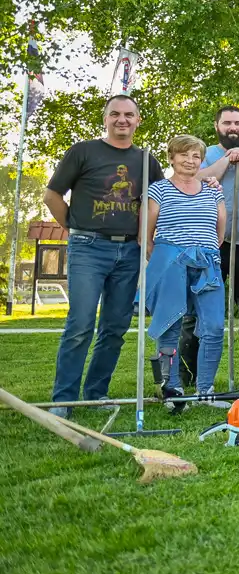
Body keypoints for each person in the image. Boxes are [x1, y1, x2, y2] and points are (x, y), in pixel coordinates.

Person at [43, 95, 165, 418]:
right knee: (81, 323)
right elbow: (51, 194)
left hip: (130, 251)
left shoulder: (147, 160)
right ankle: (64, 401)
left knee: (114, 326)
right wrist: (72, 225)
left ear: (138, 120)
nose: (122, 120)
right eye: (115, 114)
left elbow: (162, 197)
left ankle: (95, 394)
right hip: (88, 247)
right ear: (106, 118)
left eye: (128, 115)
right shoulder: (83, 152)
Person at [178, 105, 239, 386]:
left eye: (238, 123)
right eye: (227, 123)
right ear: (217, 126)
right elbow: (192, 180)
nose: (233, 128)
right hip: (208, 243)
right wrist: (228, 160)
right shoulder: (203, 153)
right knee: (197, 308)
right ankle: (188, 371)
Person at [143, 135, 227, 413]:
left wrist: (205, 250)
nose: (190, 161)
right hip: (170, 262)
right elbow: (146, 234)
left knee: (214, 326)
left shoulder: (214, 191)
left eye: (196, 156)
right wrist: (165, 259)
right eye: (184, 155)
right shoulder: (159, 190)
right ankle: (172, 388)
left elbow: (220, 231)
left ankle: (205, 389)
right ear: (171, 157)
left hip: (206, 263)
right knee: (170, 326)